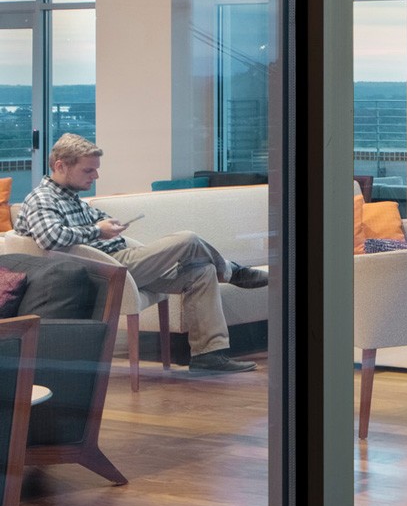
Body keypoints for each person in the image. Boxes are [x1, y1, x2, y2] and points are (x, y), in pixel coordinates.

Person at [16, 134, 267, 373]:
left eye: (96, 169)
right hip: (106, 270)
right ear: (60, 166)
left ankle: (208, 355)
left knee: (202, 272)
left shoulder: (73, 198)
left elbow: (98, 221)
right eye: (88, 170)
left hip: (122, 259)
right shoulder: (42, 199)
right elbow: (50, 239)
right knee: (187, 239)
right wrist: (97, 231)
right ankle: (233, 271)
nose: (96, 176)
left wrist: (109, 225)